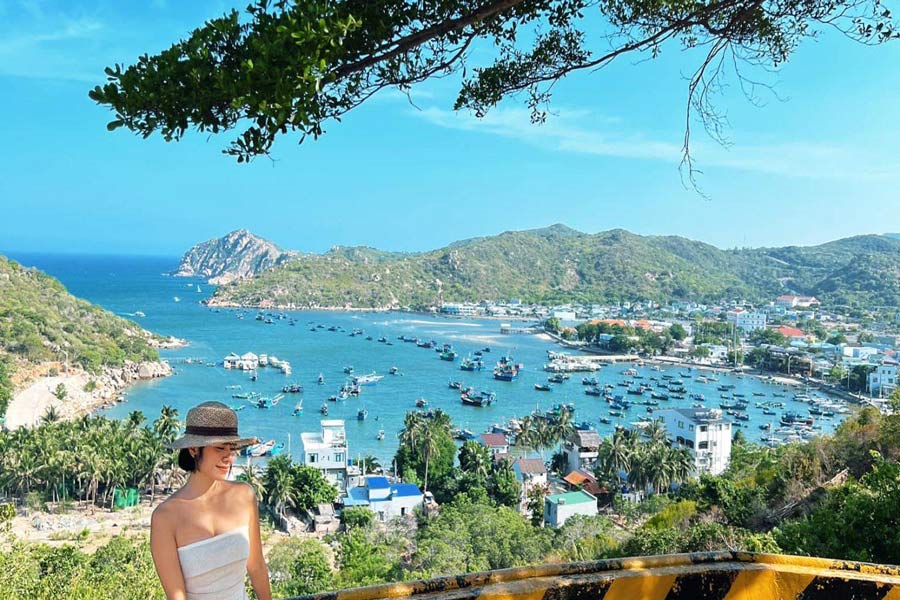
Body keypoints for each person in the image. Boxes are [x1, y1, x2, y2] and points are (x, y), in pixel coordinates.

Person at [150, 401, 272, 600]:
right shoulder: (165, 517)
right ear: (193, 450)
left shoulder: (244, 495)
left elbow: (256, 565)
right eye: (219, 449)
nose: (229, 458)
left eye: (231, 449)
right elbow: (176, 596)